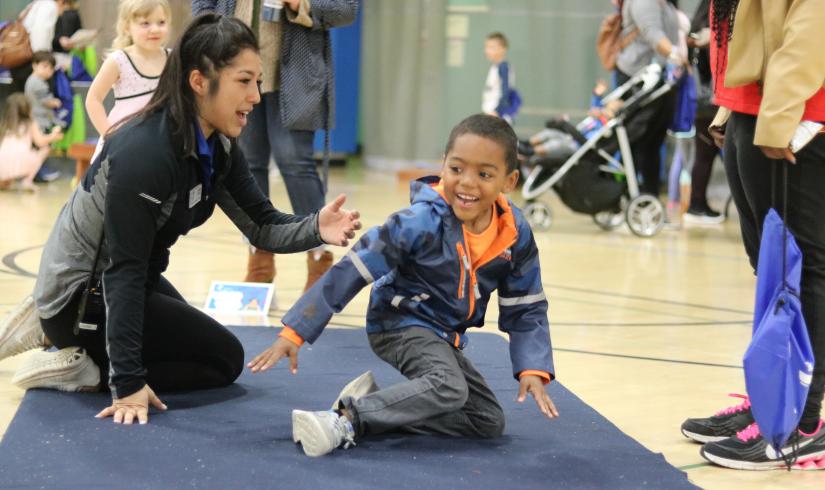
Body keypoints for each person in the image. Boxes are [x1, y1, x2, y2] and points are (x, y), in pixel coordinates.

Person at [0, 13, 362, 426]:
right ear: (198, 81)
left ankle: (66, 330)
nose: (257, 97)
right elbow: (124, 274)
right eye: (244, 81)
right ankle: (83, 363)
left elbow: (260, 225)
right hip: (86, 294)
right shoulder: (145, 154)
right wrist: (127, 381)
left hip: (111, 280)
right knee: (224, 361)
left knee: (194, 343)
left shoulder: (215, 144)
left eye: (257, 82)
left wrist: (317, 227)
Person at [248, 114, 558, 457]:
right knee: (449, 388)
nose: (467, 183)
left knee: (485, 420)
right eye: (456, 169)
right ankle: (345, 418)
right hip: (397, 323)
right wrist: (296, 331)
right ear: (443, 165)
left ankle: (374, 407)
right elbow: (355, 268)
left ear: (509, 180)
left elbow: (526, 305)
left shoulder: (514, 233)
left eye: (484, 174)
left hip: (444, 334)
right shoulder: (419, 222)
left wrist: (533, 367)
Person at [680, 0, 825, 470]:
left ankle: (804, 422)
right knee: (771, 273)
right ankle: (772, 398)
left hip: (798, 112)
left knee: (803, 274)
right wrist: (728, 107)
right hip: (753, 107)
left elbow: (810, 25)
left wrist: (780, 111)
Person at [192, 0, 359, 292]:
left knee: (294, 163)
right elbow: (202, 6)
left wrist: (301, 4)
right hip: (233, 72)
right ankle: (259, 257)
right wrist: (214, 34)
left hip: (294, 79)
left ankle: (318, 254)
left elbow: (345, 9)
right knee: (246, 164)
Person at [86, 0, 171, 161]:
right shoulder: (119, 60)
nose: (154, 29)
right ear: (127, 27)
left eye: (161, 22)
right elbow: (93, 99)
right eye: (145, 23)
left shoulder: (172, 58)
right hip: (124, 147)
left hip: (161, 144)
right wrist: (110, 136)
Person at [615, 0, 683, 195]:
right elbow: (653, 34)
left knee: (654, 142)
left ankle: (649, 199)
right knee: (634, 140)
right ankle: (622, 197)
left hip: (659, 79)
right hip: (637, 78)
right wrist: (676, 55)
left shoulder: (666, 3)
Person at [682, 0, 724, 225]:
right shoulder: (710, 36)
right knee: (704, 155)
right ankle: (696, 205)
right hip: (712, 103)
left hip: (701, 102)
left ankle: (698, 204)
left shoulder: (695, 35)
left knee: (703, 155)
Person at [0, 93, 63, 192]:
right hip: (22, 160)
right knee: (45, 149)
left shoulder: (4, 124)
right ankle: (27, 181)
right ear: (27, 109)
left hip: (2, 164)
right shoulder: (30, 123)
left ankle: (5, 180)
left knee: (9, 163)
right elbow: (40, 142)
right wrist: (53, 136)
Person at [481, 32, 518, 124]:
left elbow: (506, 91)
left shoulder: (503, 67)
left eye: (491, 47)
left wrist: (498, 111)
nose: (487, 51)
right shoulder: (495, 67)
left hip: (497, 115)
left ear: (503, 49)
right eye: (486, 47)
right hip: (491, 113)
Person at [24, 51, 62, 135]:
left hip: (35, 119)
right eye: (45, 66)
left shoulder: (31, 79)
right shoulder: (38, 83)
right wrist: (56, 102)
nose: (48, 70)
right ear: (34, 65)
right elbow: (47, 102)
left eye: (51, 68)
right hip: (41, 121)